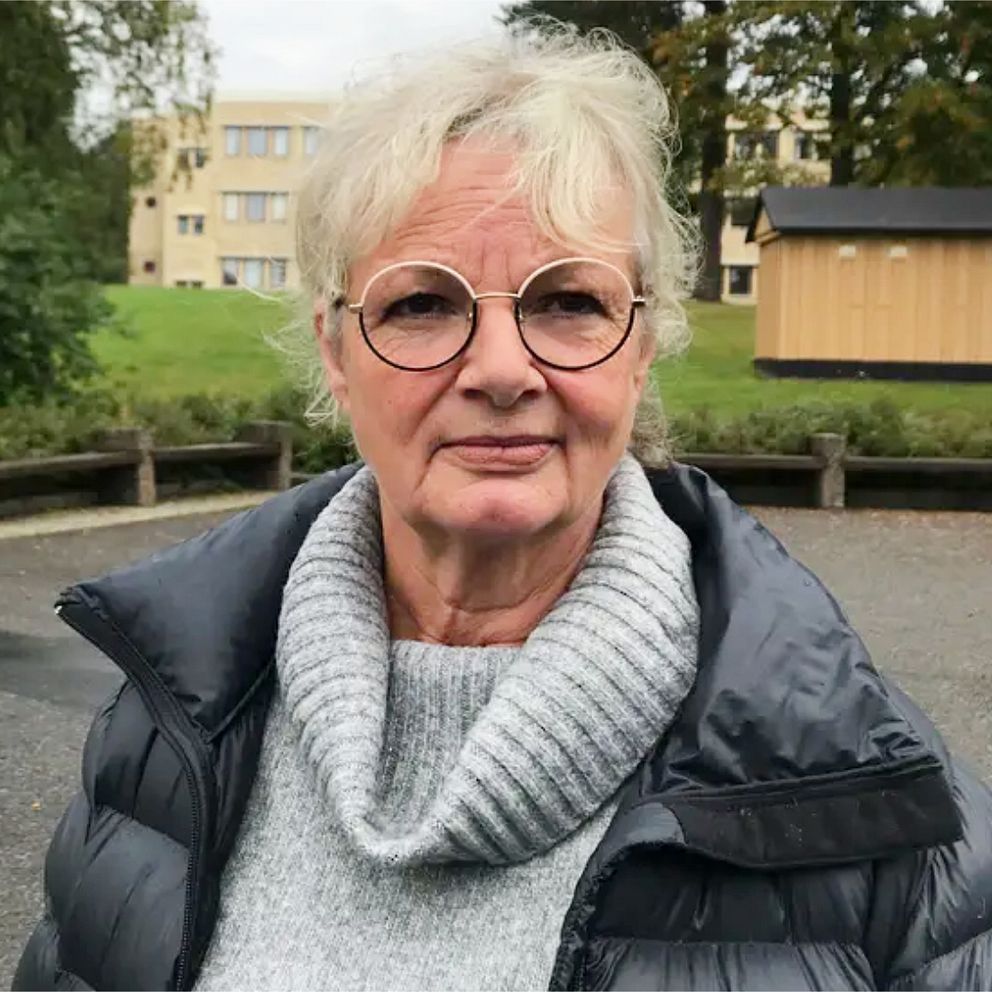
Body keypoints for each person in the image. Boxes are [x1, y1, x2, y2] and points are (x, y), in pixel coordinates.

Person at [14, 23, 992, 992]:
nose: (499, 369)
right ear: (335, 352)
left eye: (568, 301)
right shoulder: (166, 728)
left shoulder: (868, 794)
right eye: (421, 304)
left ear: (641, 347)